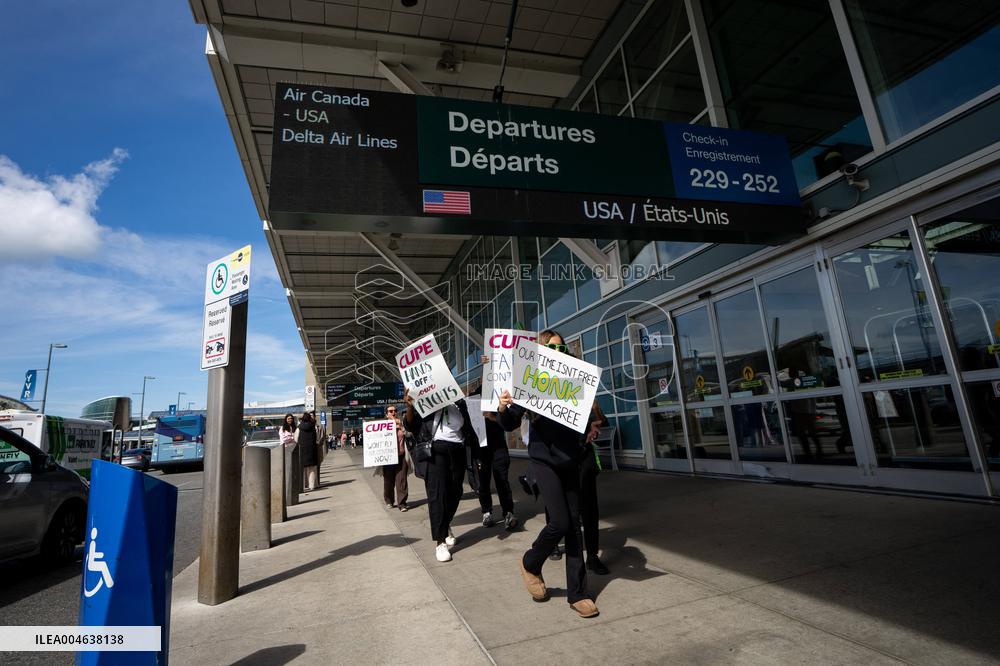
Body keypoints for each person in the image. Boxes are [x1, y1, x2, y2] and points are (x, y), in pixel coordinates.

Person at [497, 329, 602, 619]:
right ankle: (531, 563)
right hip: (544, 462)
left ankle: (578, 594)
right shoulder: (531, 383)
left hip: (573, 459)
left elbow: (589, 419)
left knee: (573, 526)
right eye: (552, 348)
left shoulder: (575, 381)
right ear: (542, 354)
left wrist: (591, 427)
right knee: (559, 523)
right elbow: (508, 423)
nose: (559, 352)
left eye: (562, 347)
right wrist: (503, 406)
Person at [403, 389, 477, 563]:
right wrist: (410, 406)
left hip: (457, 450)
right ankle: (440, 541)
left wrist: (476, 454)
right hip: (435, 452)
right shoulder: (427, 401)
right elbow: (410, 425)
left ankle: (444, 524)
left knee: (456, 492)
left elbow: (468, 428)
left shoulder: (459, 402)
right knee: (437, 495)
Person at [473, 370, 517, 531]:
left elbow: (508, 421)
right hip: (481, 447)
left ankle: (508, 512)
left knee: (502, 480)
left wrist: (491, 417)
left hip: (498, 445)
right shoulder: (475, 395)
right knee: (483, 482)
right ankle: (487, 512)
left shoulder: (501, 395)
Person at [381, 405, 409, 512]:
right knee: (388, 480)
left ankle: (402, 503)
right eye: (390, 411)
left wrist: (401, 426)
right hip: (388, 458)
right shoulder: (382, 426)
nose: (393, 412)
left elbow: (409, 434)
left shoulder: (402, 423)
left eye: (395, 411)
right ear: (386, 414)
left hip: (401, 456)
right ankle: (389, 500)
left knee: (401, 480)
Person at [296, 412, 319, 491]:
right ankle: (311, 485)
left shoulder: (299, 428)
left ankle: (302, 486)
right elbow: (317, 438)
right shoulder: (313, 427)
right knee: (311, 468)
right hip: (312, 449)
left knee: (302, 468)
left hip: (302, 449)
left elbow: (296, 439)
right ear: (309, 418)